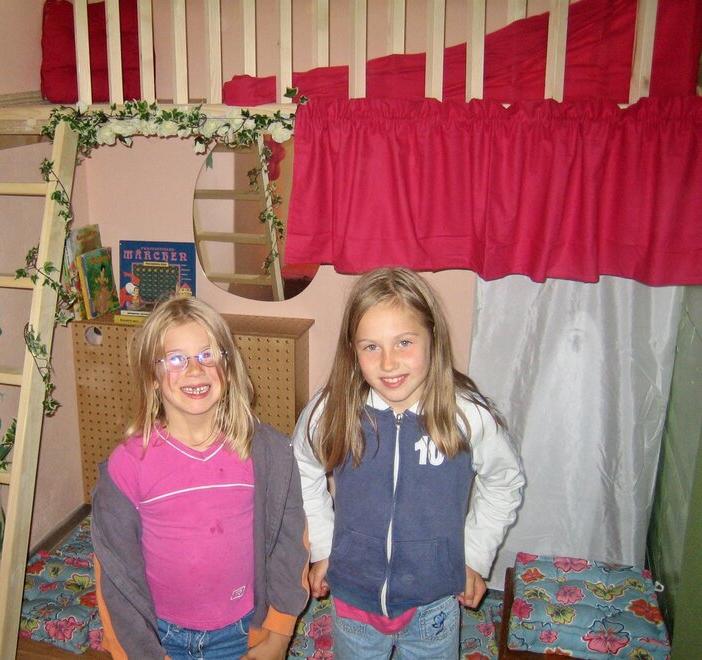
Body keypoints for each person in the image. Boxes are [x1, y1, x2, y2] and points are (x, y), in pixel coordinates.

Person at [293, 267, 525, 659]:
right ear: (352, 349)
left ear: (433, 337)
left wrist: (475, 556)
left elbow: (504, 481)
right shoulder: (332, 409)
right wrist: (323, 546)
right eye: (371, 346)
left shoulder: (466, 414)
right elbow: (301, 470)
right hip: (353, 597)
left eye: (403, 342)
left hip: (433, 601)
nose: (388, 363)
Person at [92, 296, 309, 660]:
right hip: (160, 636)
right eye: (176, 359)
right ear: (153, 376)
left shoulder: (266, 453)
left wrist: (279, 634)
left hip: (243, 633)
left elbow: (291, 545)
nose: (195, 370)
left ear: (229, 367)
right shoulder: (128, 465)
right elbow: (114, 572)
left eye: (208, 355)